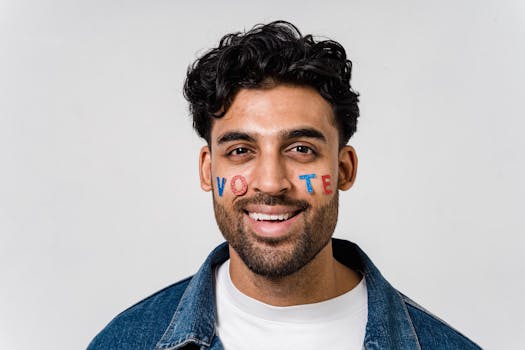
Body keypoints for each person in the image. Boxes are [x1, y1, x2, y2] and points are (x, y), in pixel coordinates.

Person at [88, 21, 481, 350]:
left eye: (300, 149)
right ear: (208, 171)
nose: (271, 182)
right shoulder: (124, 342)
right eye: (241, 150)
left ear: (344, 169)